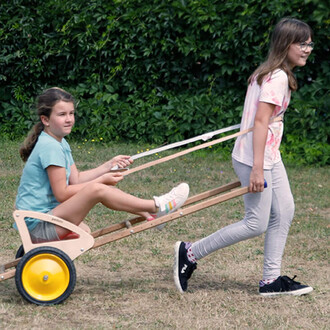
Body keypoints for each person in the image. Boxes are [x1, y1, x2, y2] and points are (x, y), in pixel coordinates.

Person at [173, 17, 314, 296]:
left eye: (310, 43)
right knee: (256, 222)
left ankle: (271, 280)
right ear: (285, 45)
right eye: (302, 44)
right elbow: (260, 123)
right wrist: (257, 169)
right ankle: (190, 253)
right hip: (255, 158)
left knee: (284, 211)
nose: (308, 49)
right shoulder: (278, 77)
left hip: (267, 155)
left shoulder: (269, 72)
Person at [15, 87, 189, 243]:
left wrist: (107, 166)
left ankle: (151, 211)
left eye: (71, 113)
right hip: (37, 226)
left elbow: (75, 180)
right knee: (97, 190)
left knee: (90, 212)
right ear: (45, 120)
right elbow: (62, 193)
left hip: (44, 221)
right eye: (62, 115)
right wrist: (100, 181)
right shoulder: (50, 146)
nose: (69, 119)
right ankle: (157, 206)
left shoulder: (59, 142)